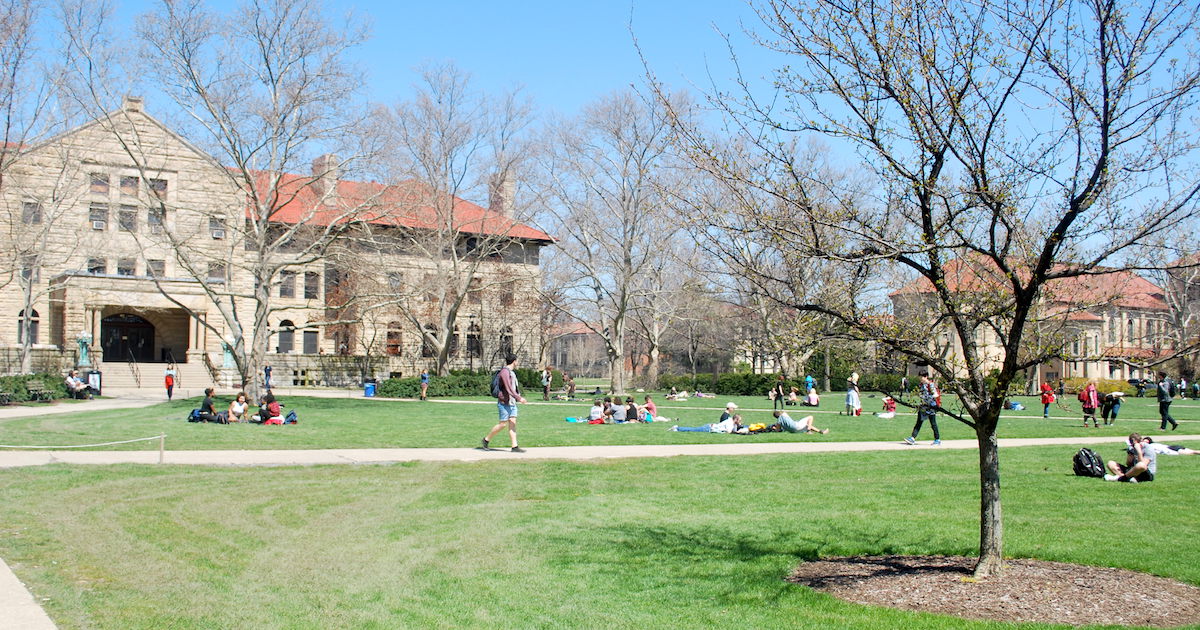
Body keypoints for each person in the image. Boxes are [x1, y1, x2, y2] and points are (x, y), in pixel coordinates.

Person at [480, 353, 527, 452]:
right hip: (504, 403)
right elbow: (508, 388)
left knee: (513, 423)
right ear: (514, 361)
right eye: (517, 360)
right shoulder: (504, 372)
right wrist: (519, 398)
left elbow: (514, 387)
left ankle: (514, 446)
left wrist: (516, 398)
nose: (517, 362)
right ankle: (486, 440)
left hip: (512, 403)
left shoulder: (512, 372)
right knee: (502, 424)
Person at [904, 371, 941, 445]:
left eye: (922, 377)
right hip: (924, 405)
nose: (920, 379)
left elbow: (936, 395)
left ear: (926, 377)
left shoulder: (930, 385)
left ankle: (937, 439)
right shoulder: (921, 385)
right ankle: (912, 438)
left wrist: (928, 398)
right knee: (919, 422)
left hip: (931, 406)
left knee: (933, 423)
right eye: (920, 377)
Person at [670, 412, 741, 433]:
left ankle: (677, 428)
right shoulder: (729, 422)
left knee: (694, 429)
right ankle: (677, 428)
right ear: (736, 419)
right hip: (709, 428)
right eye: (739, 420)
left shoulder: (731, 421)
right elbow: (729, 431)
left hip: (710, 427)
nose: (740, 422)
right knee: (693, 430)